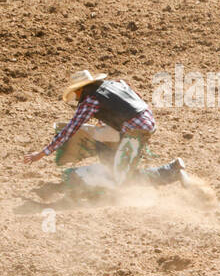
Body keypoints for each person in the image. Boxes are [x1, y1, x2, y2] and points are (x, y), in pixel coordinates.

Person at [22, 70, 188, 195]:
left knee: (122, 178)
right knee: (115, 160)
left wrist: (43, 153)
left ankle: (171, 170)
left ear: (80, 90)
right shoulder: (115, 84)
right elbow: (132, 97)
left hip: (134, 130)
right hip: (145, 121)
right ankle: (114, 167)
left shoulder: (89, 100)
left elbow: (70, 129)